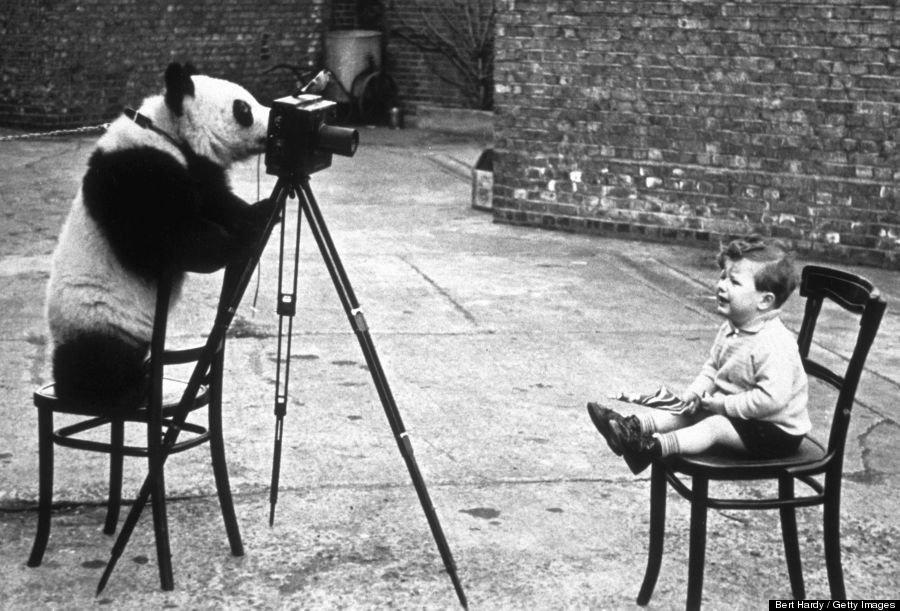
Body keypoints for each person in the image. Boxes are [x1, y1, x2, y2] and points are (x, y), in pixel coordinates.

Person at [588, 236, 810, 474]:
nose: (722, 285)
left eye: (734, 282)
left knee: (714, 425)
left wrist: (723, 405)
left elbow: (770, 400)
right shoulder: (731, 328)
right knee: (689, 410)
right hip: (745, 417)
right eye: (723, 276)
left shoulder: (773, 343)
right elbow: (713, 367)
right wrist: (694, 394)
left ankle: (649, 448)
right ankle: (631, 427)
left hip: (777, 432)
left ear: (765, 301)